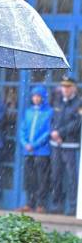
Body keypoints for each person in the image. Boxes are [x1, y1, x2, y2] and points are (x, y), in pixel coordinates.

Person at [16, 86, 52, 214]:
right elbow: (22, 129)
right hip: (28, 150)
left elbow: (48, 132)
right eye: (34, 96)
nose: (36, 98)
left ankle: (41, 204)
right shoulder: (28, 111)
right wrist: (25, 143)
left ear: (43, 97)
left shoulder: (49, 112)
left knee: (41, 178)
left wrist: (35, 144)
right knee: (29, 178)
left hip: (42, 151)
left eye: (38, 96)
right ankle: (29, 203)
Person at [50, 77, 81, 216]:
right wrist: (53, 132)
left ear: (74, 88)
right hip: (56, 145)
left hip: (70, 145)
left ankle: (73, 206)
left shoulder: (79, 103)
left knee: (72, 177)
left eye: (68, 87)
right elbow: (52, 119)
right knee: (56, 176)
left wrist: (60, 133)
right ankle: (57, 205)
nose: (65, 89)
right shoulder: (58, 101)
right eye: (63, 87)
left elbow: (77, 123)